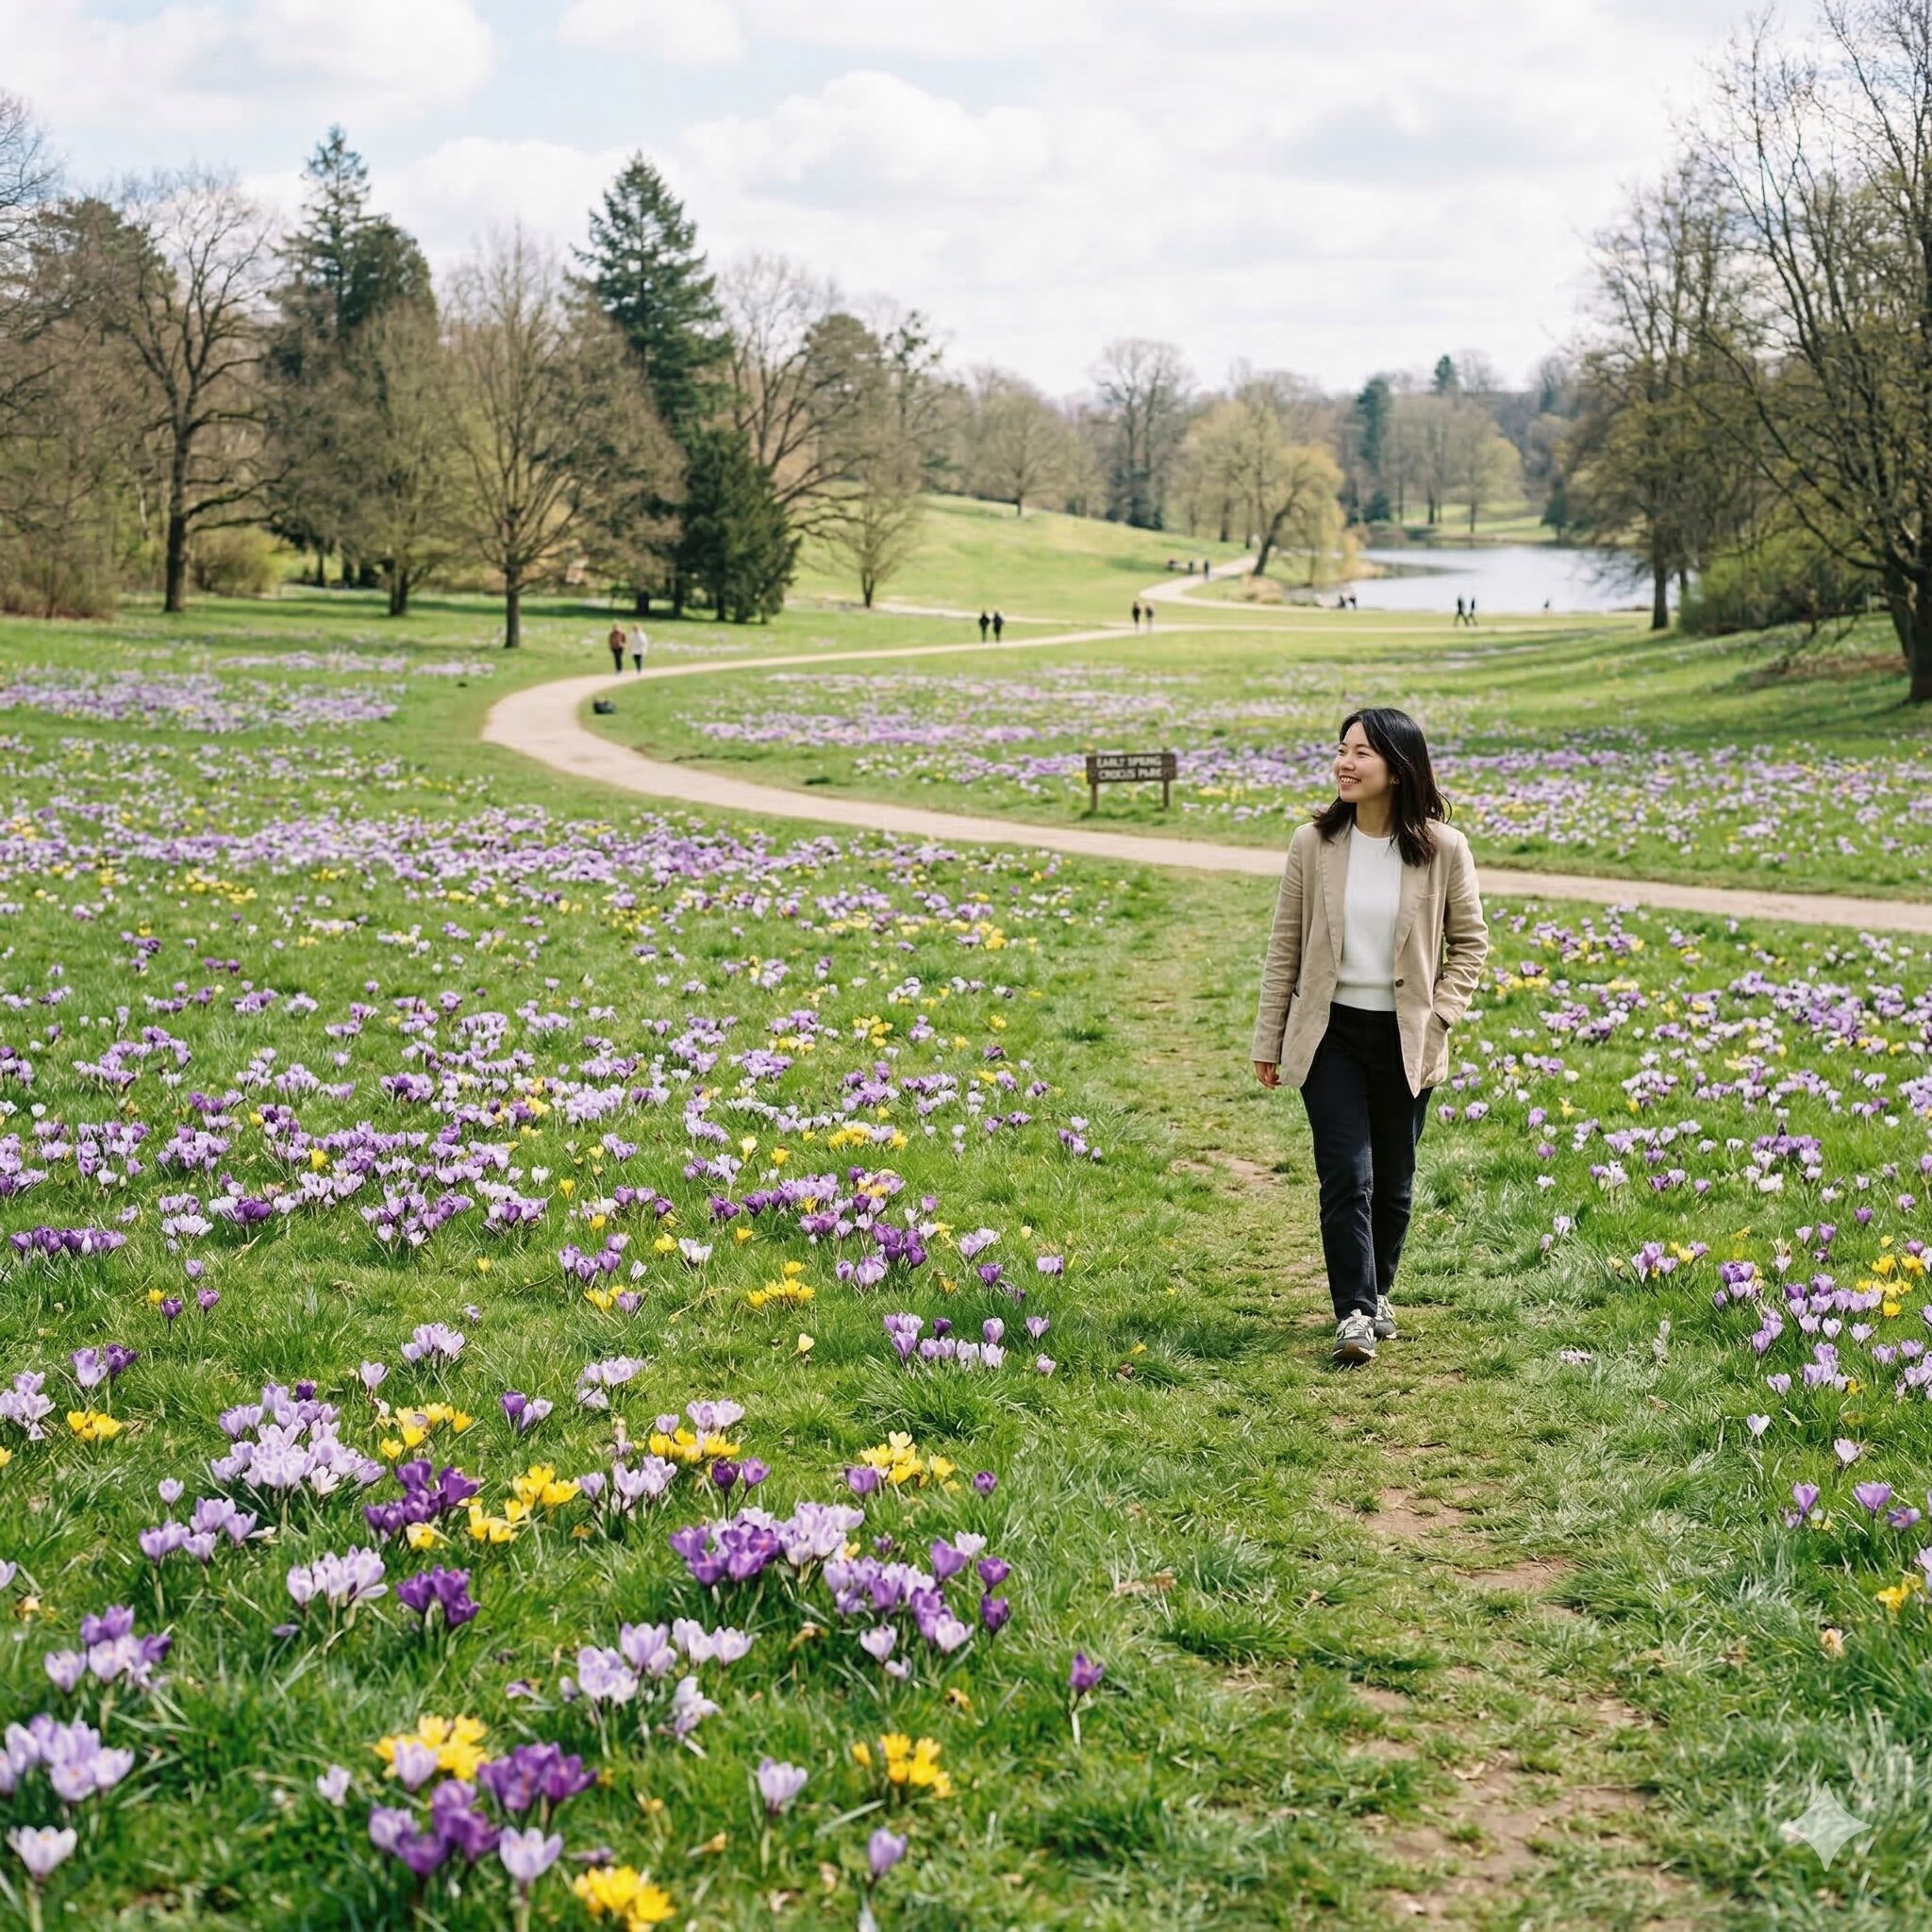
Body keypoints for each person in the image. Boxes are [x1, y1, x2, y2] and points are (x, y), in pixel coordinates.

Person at [1250, 708, 1489, 1364]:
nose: (1344, 763)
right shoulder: (1313, 844)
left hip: (1406, 1036)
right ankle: (1354, 1311)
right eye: (1341, 750)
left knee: (1394, 1182)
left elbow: (1470, 946)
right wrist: (1269, 1041)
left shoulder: (1444, 848)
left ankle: (1379, 1290)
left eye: (1361, 753)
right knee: (1346, 1175)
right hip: (1330, 1033)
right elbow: (1284, 951)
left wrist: (1439, 1017)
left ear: (1397, 768)